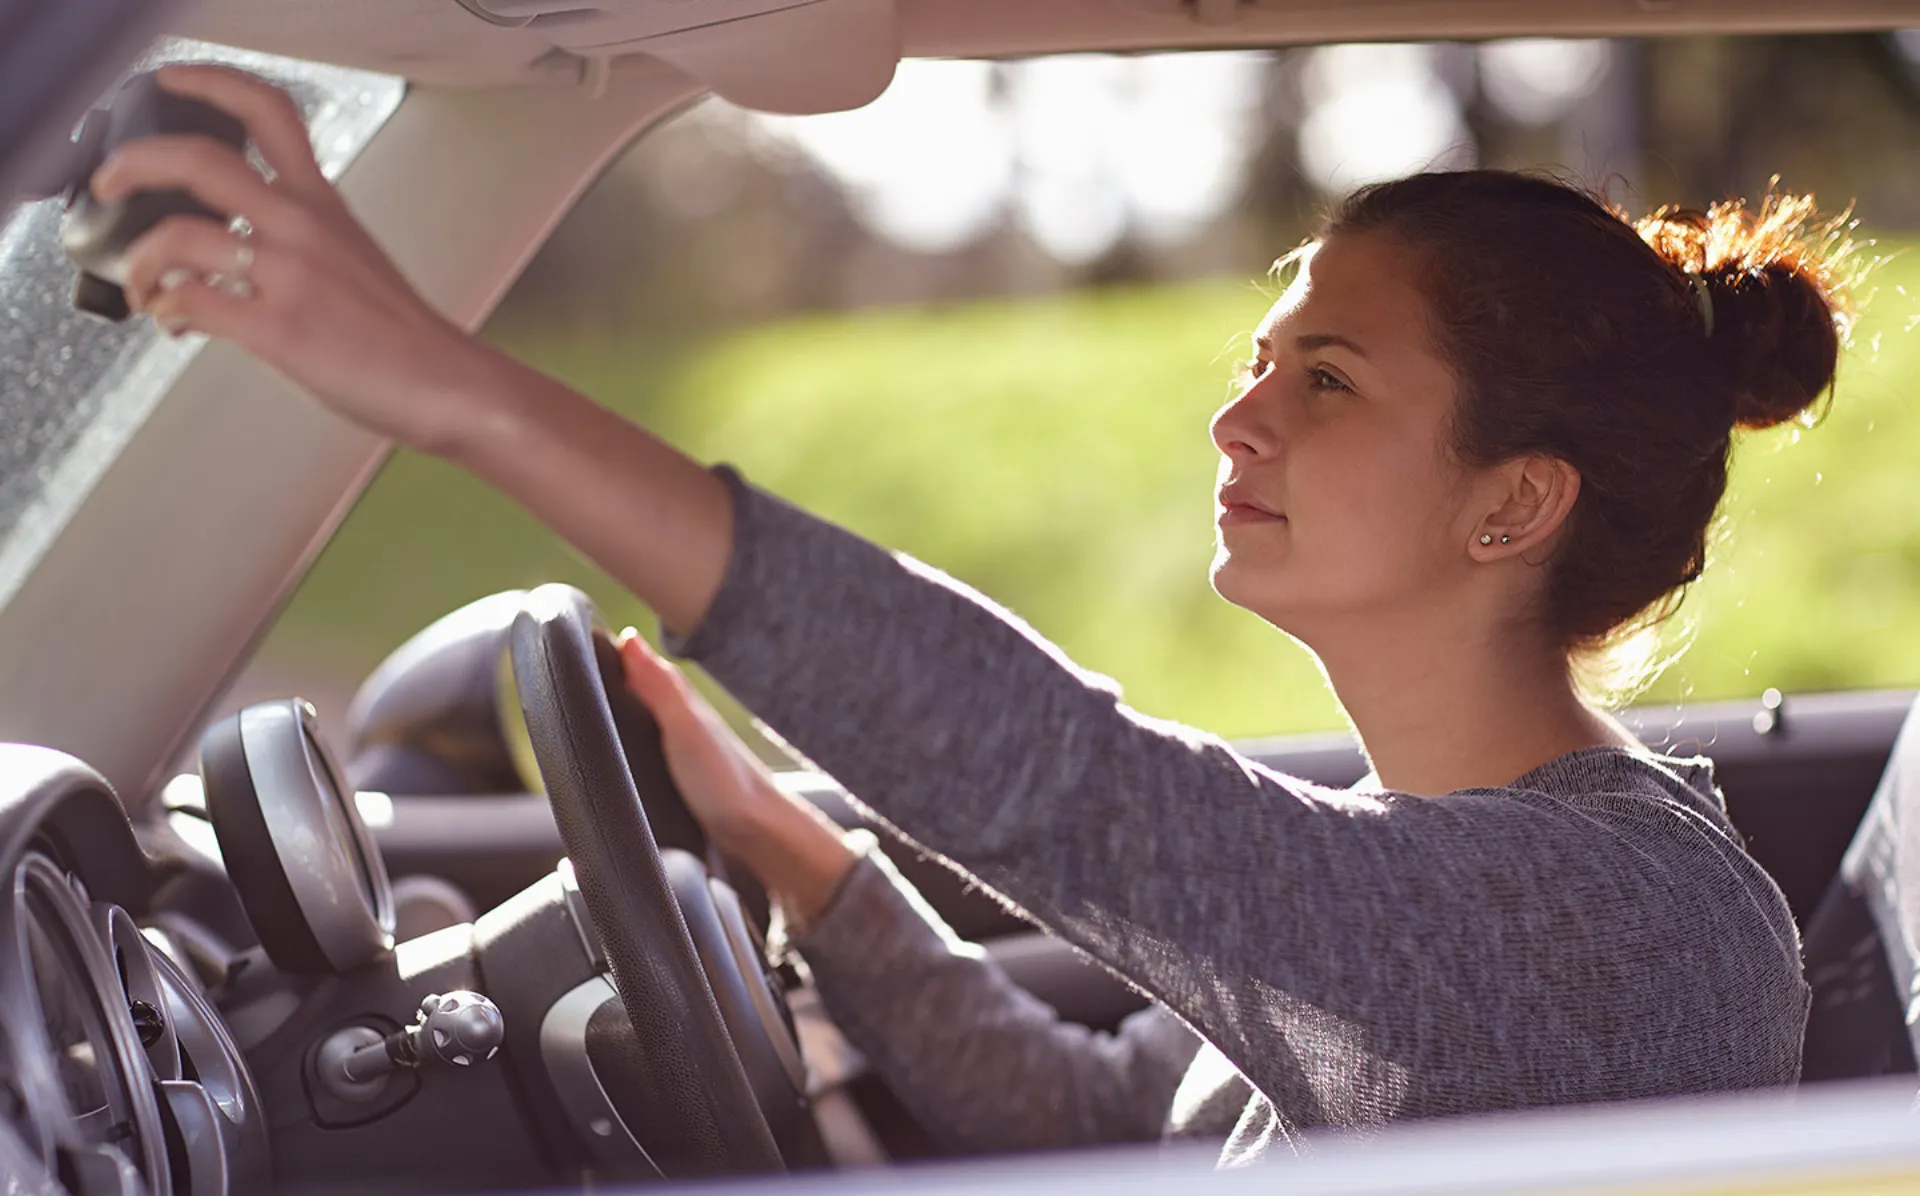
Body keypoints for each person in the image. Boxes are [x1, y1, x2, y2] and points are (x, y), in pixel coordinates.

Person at [99, 64, 1848, 1166]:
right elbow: (1098, 1120)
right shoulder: (1435, 870)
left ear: (1515, 500)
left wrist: (451, 388)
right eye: (1256, 362)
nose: (1238, 422)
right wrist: (792, 852)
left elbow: (1065, 781)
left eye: (1327, 380)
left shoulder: (1594, 934)